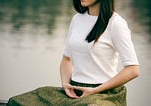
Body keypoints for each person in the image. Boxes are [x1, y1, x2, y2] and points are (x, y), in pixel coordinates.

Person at [7, 0, 139, 106]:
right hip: (75, 92)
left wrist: (95, 90)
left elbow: (133, 69)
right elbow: (66, 60)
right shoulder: (77, 19)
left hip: (105, 94)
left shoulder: (116, 23)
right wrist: (65, 85)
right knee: (17, 102)